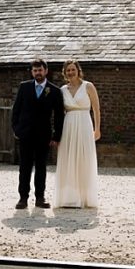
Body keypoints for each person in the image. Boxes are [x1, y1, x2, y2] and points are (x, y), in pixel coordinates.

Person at [11, 58, 64, 209]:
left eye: (40, 70)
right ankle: (23, 198)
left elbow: (59, 116)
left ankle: (40, 198)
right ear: (32, 72)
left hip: (43, 135)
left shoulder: (54, 91)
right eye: (35, 70)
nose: (37, 73)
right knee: (24, 167)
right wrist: (16, 129)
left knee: (41, 167)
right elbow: (16, 110)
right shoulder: (24, 87)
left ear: (46, 71)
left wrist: (56, 136)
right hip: (25, 134)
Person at [54, 60, 101, 208]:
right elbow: (59, 113)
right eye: (68, 70)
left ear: (78, 70)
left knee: (84, 159)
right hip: (68, 125)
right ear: (64, 73)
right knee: (69, 159)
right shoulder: (62, 90)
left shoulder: (88, 86)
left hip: (84, 124)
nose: (70, 72)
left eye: (73, 69)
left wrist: (97, 129)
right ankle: (69, 197)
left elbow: (96, 109)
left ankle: (85, 197)